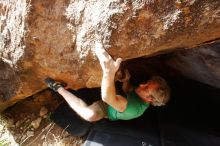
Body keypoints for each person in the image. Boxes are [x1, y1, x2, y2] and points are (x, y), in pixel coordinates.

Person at [44, 42, 170, 122]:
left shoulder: (134, 108)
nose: (142, 85)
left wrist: (108, 72)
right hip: (119, 98)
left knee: (90, 115)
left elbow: (107, 98)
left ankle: (59, 89)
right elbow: (128, 91)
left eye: (146, 88)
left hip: (109, 108)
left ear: (150, 100)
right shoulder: (142, 95)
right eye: (146, 82)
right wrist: (127, 81)